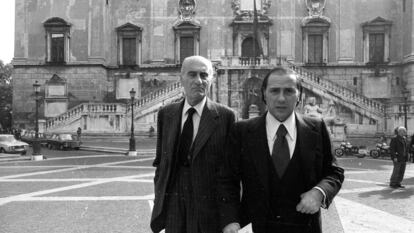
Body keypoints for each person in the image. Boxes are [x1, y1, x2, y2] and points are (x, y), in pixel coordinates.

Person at [217, 67, 344, 233]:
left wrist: (319, 192)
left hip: (305, 228)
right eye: (274, 91)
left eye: (289, 91)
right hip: (255, 227)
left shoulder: (317, 128)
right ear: (264, 94)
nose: (281, 98)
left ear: (299, 96)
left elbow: (334, 172)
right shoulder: (241, 131)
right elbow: (227, 180)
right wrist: (230, 220)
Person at [150, 56, 236, 233]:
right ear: (181, 78)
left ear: (211, 79)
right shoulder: (166, 114)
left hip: (208, 207)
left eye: (204, 75)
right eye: (192, 74)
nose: (199, 81)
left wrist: (230, 217)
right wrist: (161, 199)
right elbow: (161, 162)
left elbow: (231, 172)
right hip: (173, 204)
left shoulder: (226, 116)